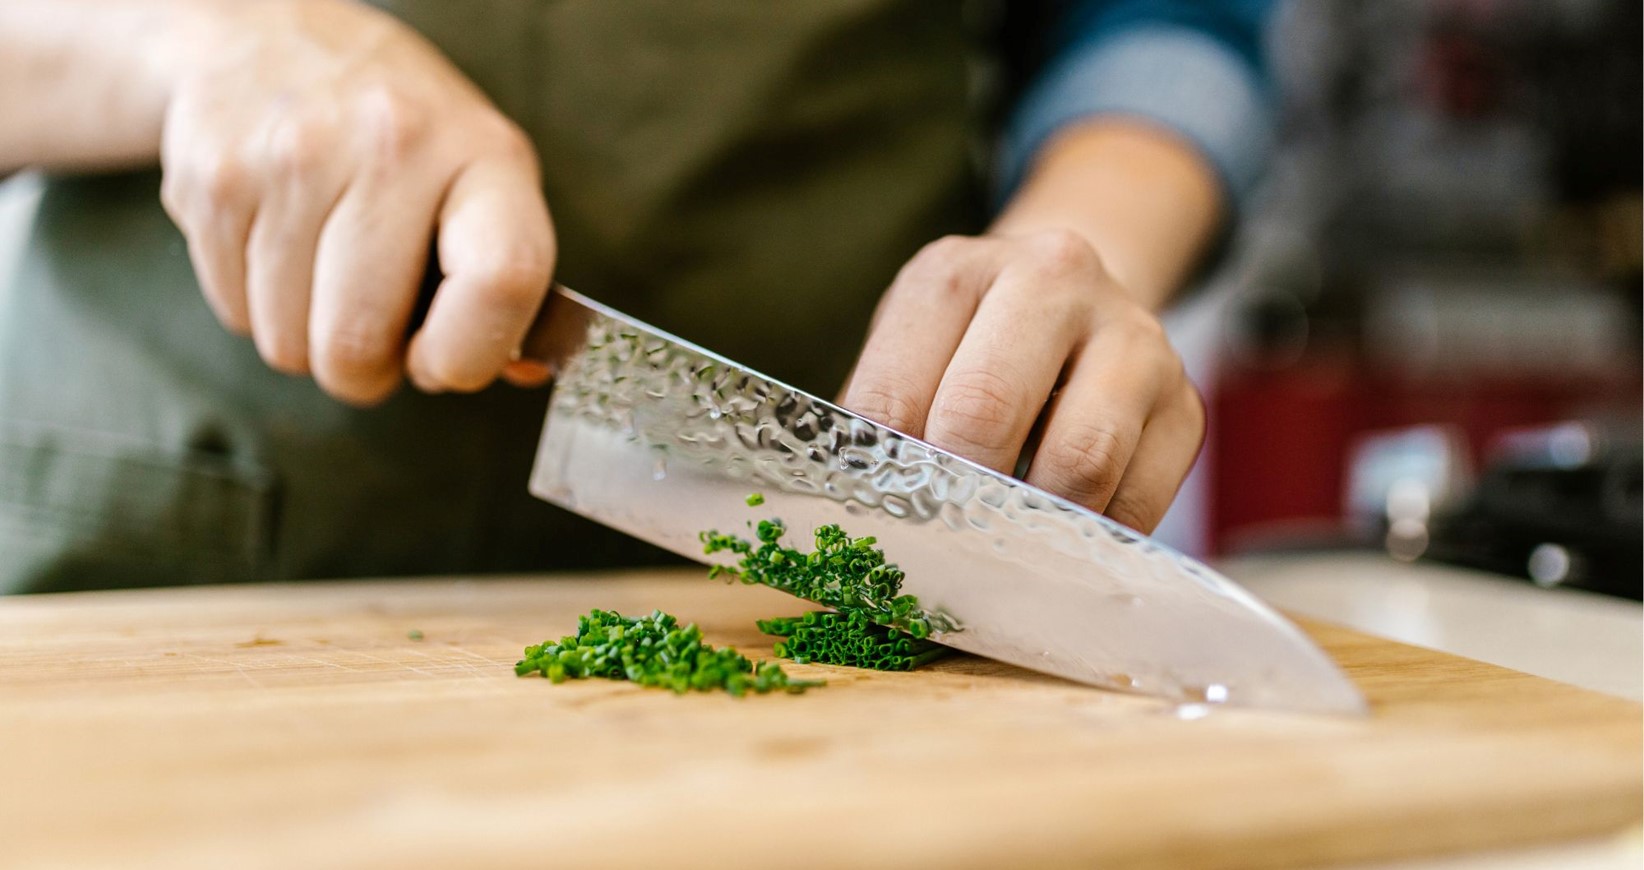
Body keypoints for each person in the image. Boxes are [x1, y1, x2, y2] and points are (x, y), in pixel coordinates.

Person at [0, 0, 1273, 593]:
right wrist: (186, 41)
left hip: (828, 560)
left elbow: (1162, 25)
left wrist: (1077, 246)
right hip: (157, 560)